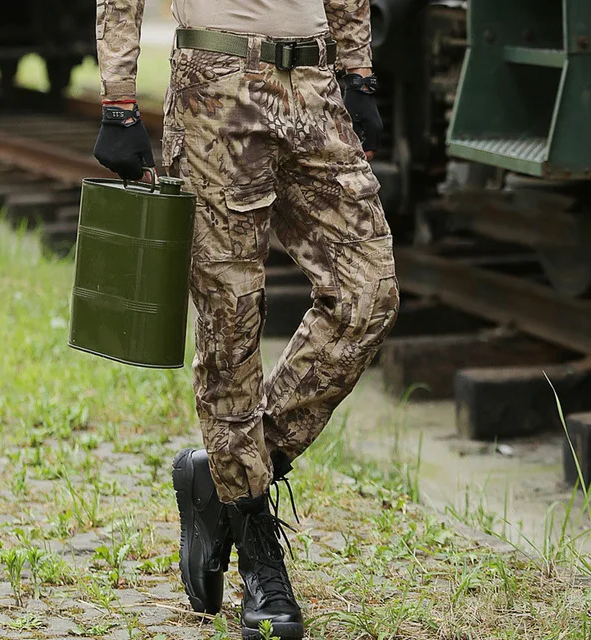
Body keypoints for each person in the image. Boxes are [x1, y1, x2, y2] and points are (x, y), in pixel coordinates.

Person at [93, 1, 399, 638]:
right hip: (216, 88)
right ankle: (259, 556)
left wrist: (358, 68)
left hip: (314, 91)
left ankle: (223, 475)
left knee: (368, 292)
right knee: (230, 328)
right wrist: (119, 100)